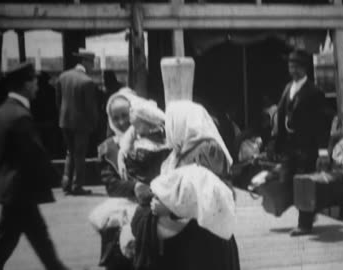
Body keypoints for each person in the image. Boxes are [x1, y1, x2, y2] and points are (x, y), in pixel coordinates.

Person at [131, 100, 240, 270]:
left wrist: (171, 210)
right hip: (190, 237)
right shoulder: (183, 150)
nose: (167, 129)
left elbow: (205, 196)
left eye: (170, 123)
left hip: (204, 241)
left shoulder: (207, 151)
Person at [0, 63, 70, 270]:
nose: (37, 86)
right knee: (32, 241)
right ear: (24, 85)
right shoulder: (20, 116)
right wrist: (59, 177)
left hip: (13, 191)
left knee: (25, 241)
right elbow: (35, 154)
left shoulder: (2, 111)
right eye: (34, 81)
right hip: (19, 191)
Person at [94, 88, 170, 270]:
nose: (121, 122)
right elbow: (112, 185)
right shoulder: (108, 148)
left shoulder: (160, 142)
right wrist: (135, 187)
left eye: (125, 115)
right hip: (123, 211)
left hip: (154, 210)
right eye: (115, 117)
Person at [273, 49, 327, 236]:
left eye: (296, 66)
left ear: (305, 69)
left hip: (307, 146)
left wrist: (323, 152)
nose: (293, 70)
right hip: (289, 145)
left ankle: (305, 223)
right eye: (290, 66)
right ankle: (309, 212)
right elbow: (280, 116)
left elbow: (322, 124)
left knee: (304, 184)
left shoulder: (315, 92)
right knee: (287, 181)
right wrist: (276, 144)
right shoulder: (288, 88)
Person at [56, 49, 99, 195]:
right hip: (81, 124)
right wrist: (94, 123)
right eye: (92, 62)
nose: (93, 66)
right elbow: (90, 108)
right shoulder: (87, 81)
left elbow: (58, 101)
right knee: (80, 155)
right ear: (85, 62)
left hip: (64, 122)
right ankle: (77, 185)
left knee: (70, 152)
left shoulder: (62, 77)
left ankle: (66, 183)